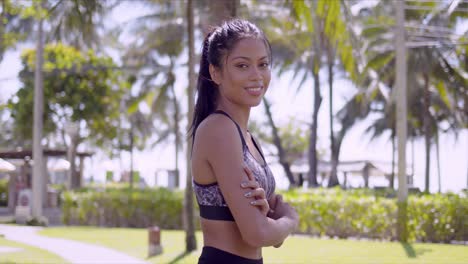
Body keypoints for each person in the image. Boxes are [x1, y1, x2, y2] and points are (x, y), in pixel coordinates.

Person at [190, 19, 299, 264]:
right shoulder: (219, 129)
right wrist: (291, 219)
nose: (256, 76)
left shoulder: (247, 138)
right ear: (215, 72)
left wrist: (273, 221)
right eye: (242, 66)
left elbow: (272, 235)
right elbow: (257, 233)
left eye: (263, 64)